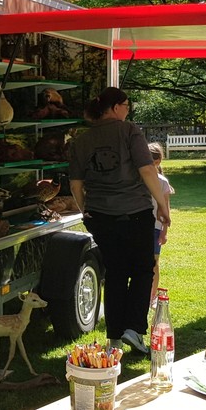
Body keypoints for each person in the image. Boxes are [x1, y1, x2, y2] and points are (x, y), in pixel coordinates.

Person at [68, 88, 171, 356]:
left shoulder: (82, 139)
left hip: (100, 216)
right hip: (134, 212)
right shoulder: (128, 131)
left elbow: (76, 183)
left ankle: (114, 337)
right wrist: (161, 204)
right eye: (126, 105)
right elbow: (148, 169)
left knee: (114, 273)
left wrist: (85, 211)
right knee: (141, 270)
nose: (128, 110)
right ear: (114, 107)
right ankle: (134, 329)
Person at [148, 142, 175, 307]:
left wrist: (164, 231)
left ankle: (152, 296)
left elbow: (166, 209)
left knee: (153, 263)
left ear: (157, 162)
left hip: (155, 228)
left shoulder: (162, 182)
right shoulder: (139, 179)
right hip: (140, 227)